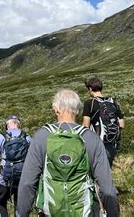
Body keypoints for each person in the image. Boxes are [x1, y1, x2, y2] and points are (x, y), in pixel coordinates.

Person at [16, 89, 119, 217]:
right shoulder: (92, 138)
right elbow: (108, 191)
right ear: (77, 111)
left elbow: (27, 184)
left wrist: (21, 213)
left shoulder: (41, 137)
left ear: (56, 109)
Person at [82, 77, 125, 168]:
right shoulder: (113, 102)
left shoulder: (89, 103)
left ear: (90, 89)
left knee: (94, 172)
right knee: (107, 171)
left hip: (96, 144)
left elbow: (85, 126)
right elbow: (122, 124)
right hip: (112, 144)